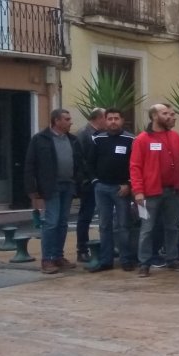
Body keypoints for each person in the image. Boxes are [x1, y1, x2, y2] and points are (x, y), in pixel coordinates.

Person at [130, 103, 179, 277]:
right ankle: (144, 263)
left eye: (172, 114)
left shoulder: (174, 136)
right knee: (147, 229)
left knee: (172, 227)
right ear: (154, 116)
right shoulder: (142, 139)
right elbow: (135, 167)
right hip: (150, 192)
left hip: (172, 191)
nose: (171, 117)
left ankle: (172, 259)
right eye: (166, 113)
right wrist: (138, 191)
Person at [24, 108, 84, 274]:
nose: (70, 122)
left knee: (63, 223)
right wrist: (32, 189)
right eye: (67, 119)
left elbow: (78, 162)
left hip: (68, 185)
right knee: (52, 222)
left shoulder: (72, 140)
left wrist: (79, 180)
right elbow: (30, 165)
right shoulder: (40, 139)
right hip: (51, 186)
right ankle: (47, 259)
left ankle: (58, 256)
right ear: (56, 121)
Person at [85, 108, 137, 272]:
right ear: (105, 120)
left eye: (116, 118)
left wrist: (128, 184)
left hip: (121, 188)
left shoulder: (130, 139)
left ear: (122, 120)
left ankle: (126, 259)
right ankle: (106, 261)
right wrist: (95, 181)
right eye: (110, 119)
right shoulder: (97, 139)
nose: (113, 121)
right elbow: (89, 162)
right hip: (101, 188)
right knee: (104, 225)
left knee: (123, 225)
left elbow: (134, 165)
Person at [75, 108, 107, 262]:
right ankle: (82, 249)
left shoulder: (100, 134)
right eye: (106, 118)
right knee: (85, 216)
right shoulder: (84, 134)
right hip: (89, 182)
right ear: (99, 118)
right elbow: (82, 160)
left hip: (100, 181)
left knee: (103, 216)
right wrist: (89, 179)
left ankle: (105, 247)